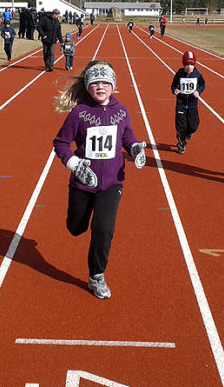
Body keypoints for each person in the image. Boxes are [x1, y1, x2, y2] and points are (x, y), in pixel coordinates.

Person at [53, 60, 147, 299]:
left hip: (112, 182)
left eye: (106, 82)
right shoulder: (78, 113)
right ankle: (78, 222)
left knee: (103, 228)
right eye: (95, 83)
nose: (101, 87)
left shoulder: (121, 111)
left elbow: (127, 136)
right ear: (88, 86)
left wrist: (135, 148)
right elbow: (61, 143)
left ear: (113, 85)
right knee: (75, 228)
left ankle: (96, 275)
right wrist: (74, 164)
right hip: (83, 182)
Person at [171, 51, 206, 154]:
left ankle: (188, 133)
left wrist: (198, 91)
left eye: (191, 64)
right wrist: (174, 90)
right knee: (181, 127)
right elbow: (173, 85)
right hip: (181, 104)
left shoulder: (197, 75)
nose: (189, 67)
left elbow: (203, 85)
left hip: (192, 104)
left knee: (193, 126)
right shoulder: (179, 74)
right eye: (186, 64)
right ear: (183, 64)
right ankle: (181, 144)